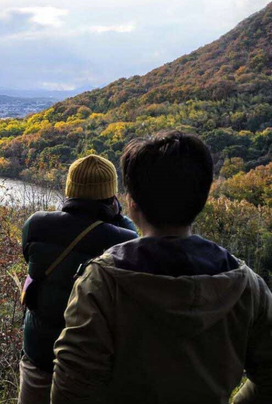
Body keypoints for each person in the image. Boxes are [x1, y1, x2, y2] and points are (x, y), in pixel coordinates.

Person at [52, 130, 272, 404]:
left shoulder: (102, 283)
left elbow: (70, 392)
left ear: (131, 204)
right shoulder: (247, 286)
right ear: (202, 200)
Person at [18, 154, 138, 404]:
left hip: (39, 352)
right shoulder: (124, 240)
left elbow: (31, 259)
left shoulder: (36, 225)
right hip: (90, 362)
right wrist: (116, 216)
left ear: (70, 189)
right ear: (111, 194)